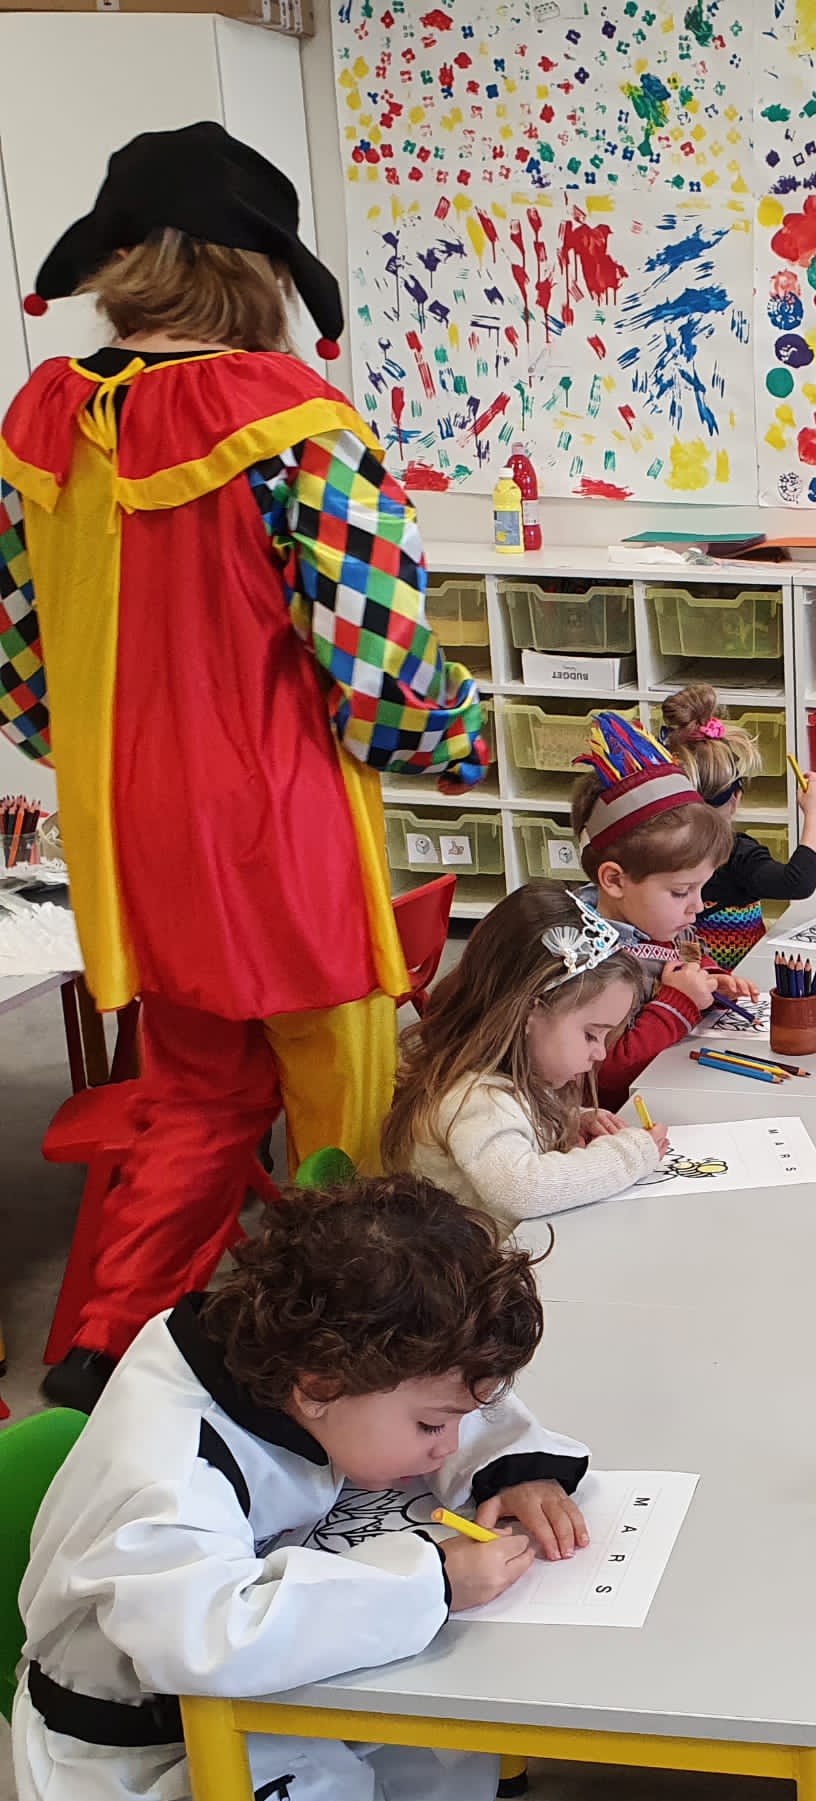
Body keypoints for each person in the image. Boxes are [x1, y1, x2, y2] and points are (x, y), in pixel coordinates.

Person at [0, 123, 488, 1412]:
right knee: (344, 1117)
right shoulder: (294, 425)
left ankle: (100, 1355)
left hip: (134, 841)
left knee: (192, 1101)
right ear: (263, 271)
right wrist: (457, 737)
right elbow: (379, 670)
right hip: (282, 834)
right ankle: (348, 1367)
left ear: (117, 261)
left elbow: (25, 673)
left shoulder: (44, 421)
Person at [14, 1175, 590, 1801]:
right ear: (320, 1384)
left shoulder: (321, 1362)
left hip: (265, 1701)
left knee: (445, 1770)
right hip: (148, 1754)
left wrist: (518, 1468)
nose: (447, 1445)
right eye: (431, 1429)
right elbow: (200, 1638)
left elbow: (451, 1394)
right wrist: (431, 1581)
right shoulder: (166, 1465)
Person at [383, 884, 665, 1223]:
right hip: (487, 1255)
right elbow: (523, 1189)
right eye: (591, 1034)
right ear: (529, 1012)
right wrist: (628, 1155)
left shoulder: (514, 1077)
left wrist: (570, 1120)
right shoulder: (478, 1100)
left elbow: (517, 1125)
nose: (600, 1054)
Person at [565, 711, 741, 1109]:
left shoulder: (660, 922)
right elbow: (605, 1077)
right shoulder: (588, 963)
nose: (698, 906)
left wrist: (712, 977)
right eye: (681, 892)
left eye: (701, 888)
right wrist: (680, 1001)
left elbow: (683, 957)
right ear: (614, 880)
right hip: (614, 1116)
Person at [661, 681, 816, 968]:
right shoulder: (736, 854)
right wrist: (815, 814)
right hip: (739, 979)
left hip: (678, 979)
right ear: (736, 798)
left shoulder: (656, 849)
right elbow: (798, 882)